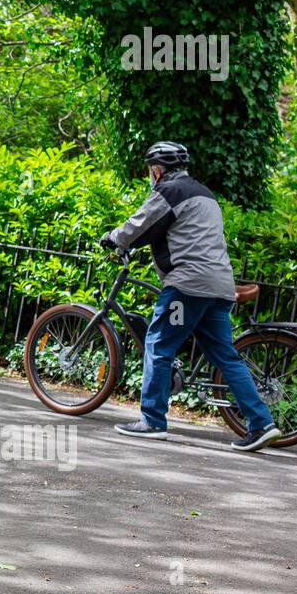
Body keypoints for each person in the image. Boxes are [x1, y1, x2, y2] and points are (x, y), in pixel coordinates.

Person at [101, 141, 282, 453]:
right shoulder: (205, 195)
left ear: (156, 170)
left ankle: (152, 420)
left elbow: (140, 223)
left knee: (159, 344)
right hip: (220, 287)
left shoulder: (168, 192)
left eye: (149, 170)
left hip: (187, 288)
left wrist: (113, 237)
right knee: (225, 356)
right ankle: (262, 423)